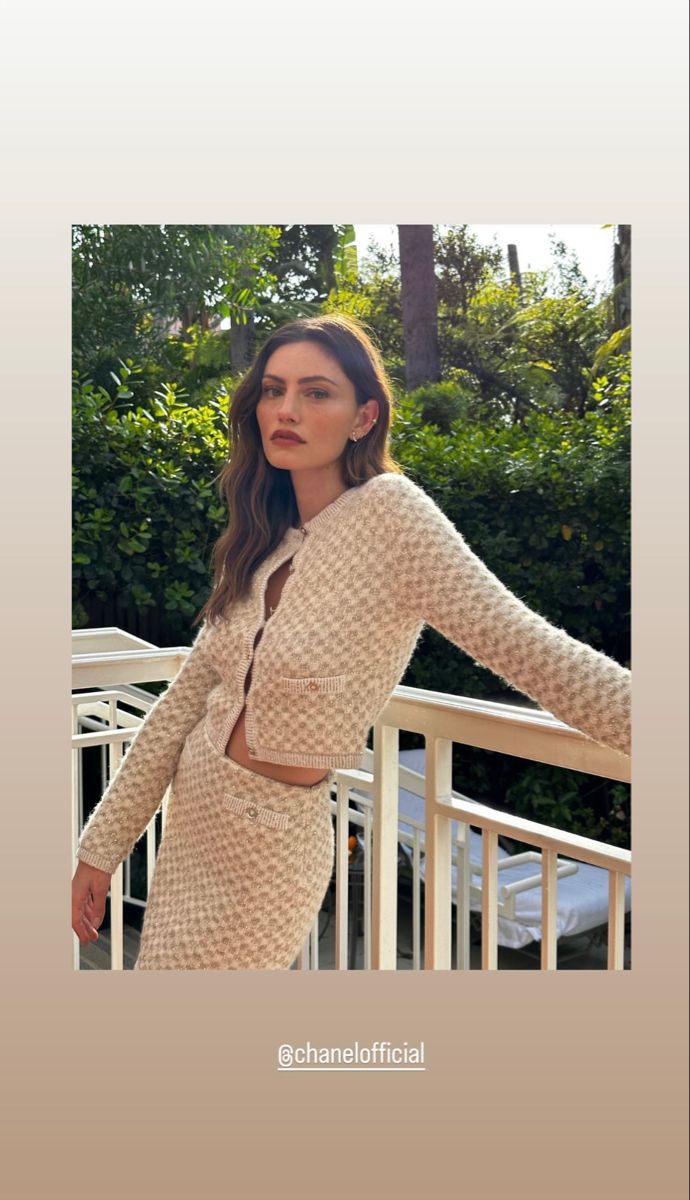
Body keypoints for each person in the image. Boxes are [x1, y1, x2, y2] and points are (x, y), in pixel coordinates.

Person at [71, 313, 631, 970]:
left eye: (316, 392)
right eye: (274, 390)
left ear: (364, 417)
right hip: (192, 824)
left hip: (268, 852)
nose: (287, 409)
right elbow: (181, 707)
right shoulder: (263, 539)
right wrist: (98, 850)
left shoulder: (391, 515)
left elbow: (528, 648)